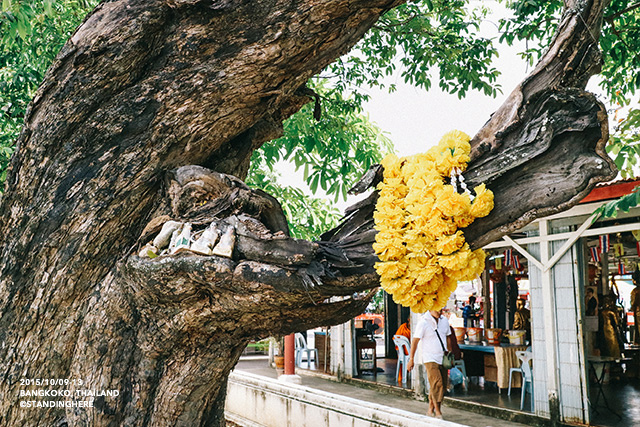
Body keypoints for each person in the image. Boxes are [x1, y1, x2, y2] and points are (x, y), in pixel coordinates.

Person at [407, 308, 454, 419]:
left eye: (441, 308)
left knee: (440, 383)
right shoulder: (423, 322)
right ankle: (438, 411)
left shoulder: (444, 321)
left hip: (442, 357)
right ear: (430, 307)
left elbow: (448, 338)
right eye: (437, 309)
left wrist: (450, 354)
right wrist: (411, 359)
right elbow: (415, 341)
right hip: (429, 358)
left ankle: (430, 409)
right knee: (438, 383)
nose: (439, 311)